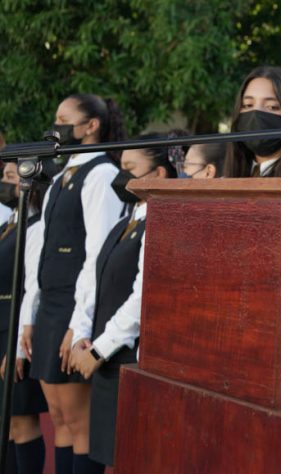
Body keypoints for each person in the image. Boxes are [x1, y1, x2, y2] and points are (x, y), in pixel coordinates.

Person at [20, 94, 125, 474]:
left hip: (73, 309)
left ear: (91, 125)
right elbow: (42, 254)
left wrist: (79, 325)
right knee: (59, 420)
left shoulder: (101, 174)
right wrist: (29, 316)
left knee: (79, 424)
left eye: (64, 118)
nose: (56, 125)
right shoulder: (60, 178)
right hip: (49, 307)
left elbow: (97, 255)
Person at [68, 135, 184, 470]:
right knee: (108, 457)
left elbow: (142, 295)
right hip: (107, 359)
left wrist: (98, 350)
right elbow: (97, 278)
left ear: (159, 174)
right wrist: (81, 334)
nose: (122, 177)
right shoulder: (128, 217)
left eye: (131, 169)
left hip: (129, 360)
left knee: (126, 459)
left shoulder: (161, 220)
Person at [0, 163, 48, 474]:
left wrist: (16, 345)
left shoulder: (36, 225)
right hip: (1, 324)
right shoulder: (11, 221)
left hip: (15, 329)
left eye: (11, 177)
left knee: (20, 420)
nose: (4, 183)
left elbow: (33, 288)